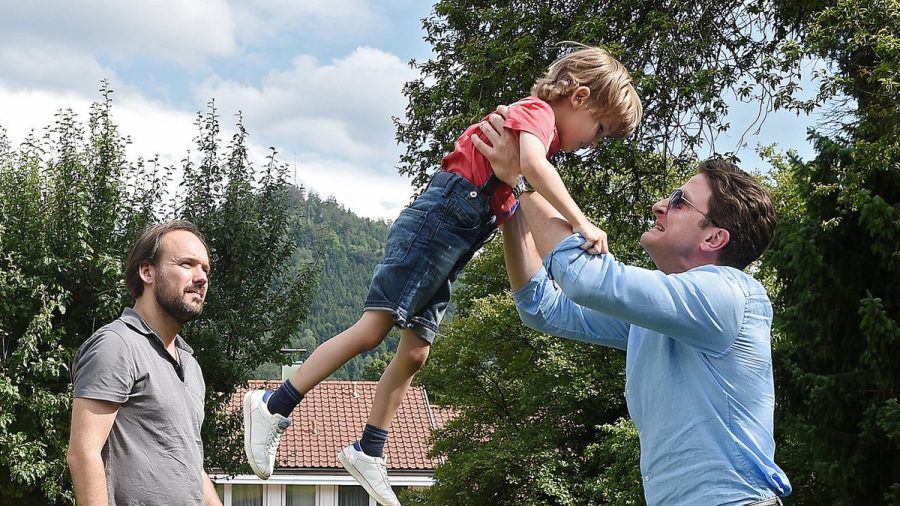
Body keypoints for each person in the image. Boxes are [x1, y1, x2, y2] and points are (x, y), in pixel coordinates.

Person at [243, 45, 642, 505]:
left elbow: (515, 188)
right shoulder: (537, 115)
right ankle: (275, 404)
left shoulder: (538, 134)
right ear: (580, 96)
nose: (593, 142)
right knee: (374, 329)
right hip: (440, 220)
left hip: (460, 232)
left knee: (415, 352)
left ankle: (368, 447)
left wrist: (515, 194)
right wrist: (581, 222)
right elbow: (533, 167)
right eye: (599, 129)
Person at [470, 109, 792, 505]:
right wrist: (509, 200)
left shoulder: (728, 295)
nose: (660, 205)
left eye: (680, 202)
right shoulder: (664, 317)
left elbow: (585, 278)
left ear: (714, 238)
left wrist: (522, 176)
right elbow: (542, 307)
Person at [67, 220, 222, 506]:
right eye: (187, 264)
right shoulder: (117, 345)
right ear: (147, 271)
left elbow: (188, 464)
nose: (201, 278)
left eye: (205, 269)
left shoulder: (190, 364)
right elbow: (83, 453)